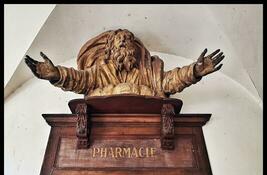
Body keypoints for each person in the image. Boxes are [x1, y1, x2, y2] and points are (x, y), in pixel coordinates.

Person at [25, 29, 224, 100]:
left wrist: (194, 71)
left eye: (130, 42)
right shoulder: (99, 72)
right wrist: (57, 74)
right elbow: (80, 80)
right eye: (122, 42)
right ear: (111, 50)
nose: (127, 45)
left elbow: (169, 81)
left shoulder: (149, 71)